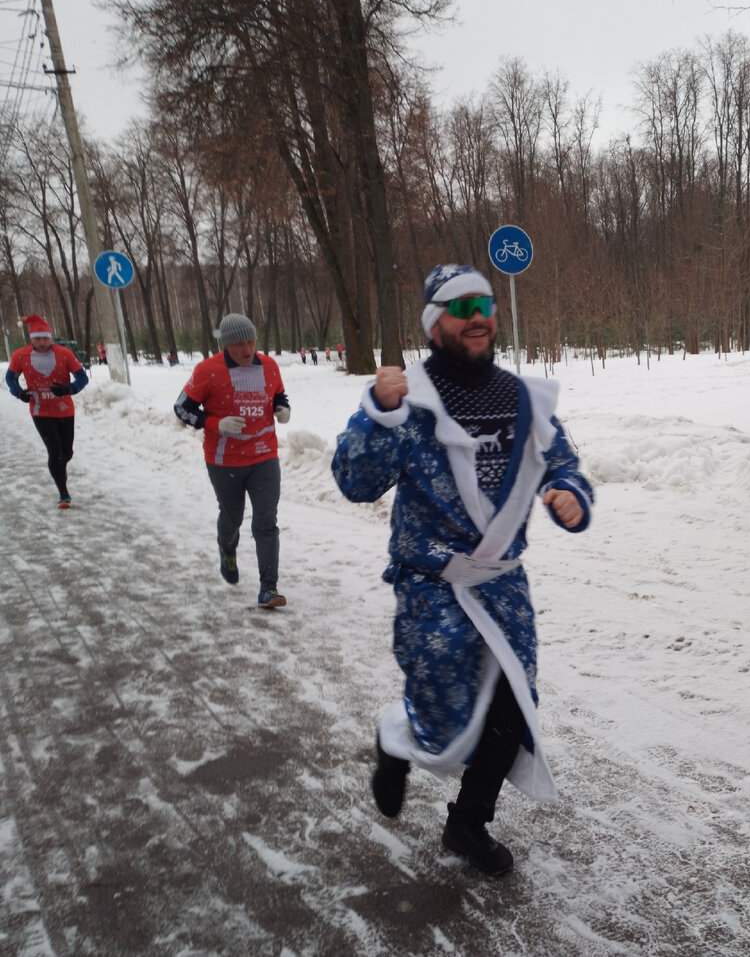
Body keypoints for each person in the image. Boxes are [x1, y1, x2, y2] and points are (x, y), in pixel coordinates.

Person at [331, 264, 593, 877]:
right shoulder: (411, 402)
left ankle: (467, 824)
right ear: (434, 323)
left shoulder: (523, 399)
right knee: (443, 715)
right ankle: (396, 740)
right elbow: (355, 481)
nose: (478, 316)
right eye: (461, 306)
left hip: (502, 584)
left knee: (511, 711)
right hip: (433, 590)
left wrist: (570, 493)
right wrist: (377, 412)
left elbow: (564, 462)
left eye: (485, 304)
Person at [173, 314, 291, 609]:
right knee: (233, 517)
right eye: (239, 344)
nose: (247, 349)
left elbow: (279, 394)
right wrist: (215, 423)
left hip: (264, 456)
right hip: (224, 460)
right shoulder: (207, 371)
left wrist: (282, 408)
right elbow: (181, 408)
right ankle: (227, 547)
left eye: (250, 341)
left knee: (266, 522)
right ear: (226, 345)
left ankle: (269, 588)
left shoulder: (269, 366)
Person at [5, 315, 89, 507]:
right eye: (37, 339)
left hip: (64, 409)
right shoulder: (20, 356)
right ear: (31, 339)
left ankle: (61, 467)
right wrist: (18, 393)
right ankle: (63, 493)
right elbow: (10, 378)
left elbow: (82, 379)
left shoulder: (65, 354)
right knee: (55, 452)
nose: (42, 343)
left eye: (45, 338)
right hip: (40, 410)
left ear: (50, 337)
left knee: (66, 453)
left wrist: (68, 389)